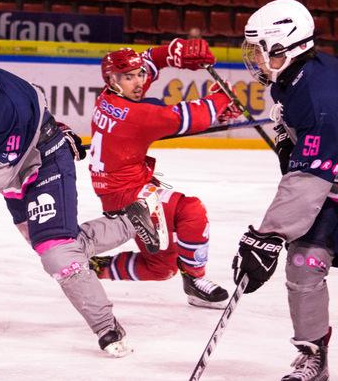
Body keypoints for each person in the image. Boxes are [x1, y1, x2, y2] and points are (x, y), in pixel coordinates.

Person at [0, 32, 165, 356]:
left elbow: (0, 168)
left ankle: (107, 327)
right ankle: (130, 221)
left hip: (43, 163)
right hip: (8, 170)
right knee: (53, 243)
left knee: (57, 253)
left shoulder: (8, 102)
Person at [88, 38, 241, 308]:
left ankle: (92, 266)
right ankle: (194, 281)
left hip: (119, 191)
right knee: (190, 210)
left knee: (161, 269)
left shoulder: (108, 97)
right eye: (129, 77)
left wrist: (171, 53)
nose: (138, 82)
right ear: (112, 79)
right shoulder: (135, 115)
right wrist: (221, 99)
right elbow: (189, 118)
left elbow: (148, 61)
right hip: (131, 197)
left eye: (139, 75)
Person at [232, 0, 338, 381]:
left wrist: (268, 236)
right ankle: (314, 354)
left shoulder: (317, 95)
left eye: (259, 51)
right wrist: (287, 140)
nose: (255, 60)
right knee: (304, 263)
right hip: (331, 186)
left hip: (326, 182)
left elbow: (309, 179)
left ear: (283, 47)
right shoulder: (295, 79)